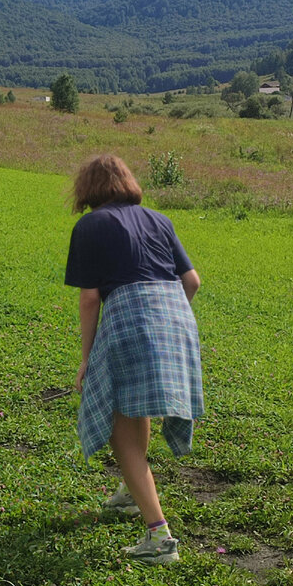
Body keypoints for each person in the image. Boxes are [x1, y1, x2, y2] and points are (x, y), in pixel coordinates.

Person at [65, 153, 203, 564]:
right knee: (133, 405)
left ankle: (160, 539)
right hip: (178, 317)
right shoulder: (159, 219)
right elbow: (192, 281)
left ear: (88, 189)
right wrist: (167, 317)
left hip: (131, 319)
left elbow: (90, 299)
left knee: (116, 426)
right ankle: (130, 491)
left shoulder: (90, 225)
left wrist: (87, 357)